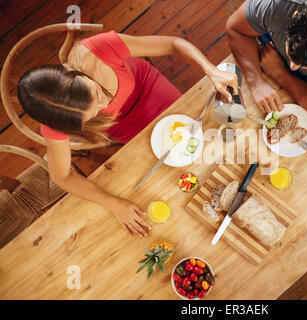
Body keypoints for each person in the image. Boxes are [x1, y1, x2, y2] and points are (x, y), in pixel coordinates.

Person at [17, 31, 238, 237]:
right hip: (125, 129)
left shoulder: (97, 49)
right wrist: (113, 203)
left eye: (95, 92)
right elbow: (62, 176)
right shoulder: (57, 122)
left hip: (148, 88)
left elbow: (173, 44)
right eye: (93, 113)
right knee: (171, 183)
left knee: (212, 144)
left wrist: (211, 70)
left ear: (75, 74)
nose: (104, 103)